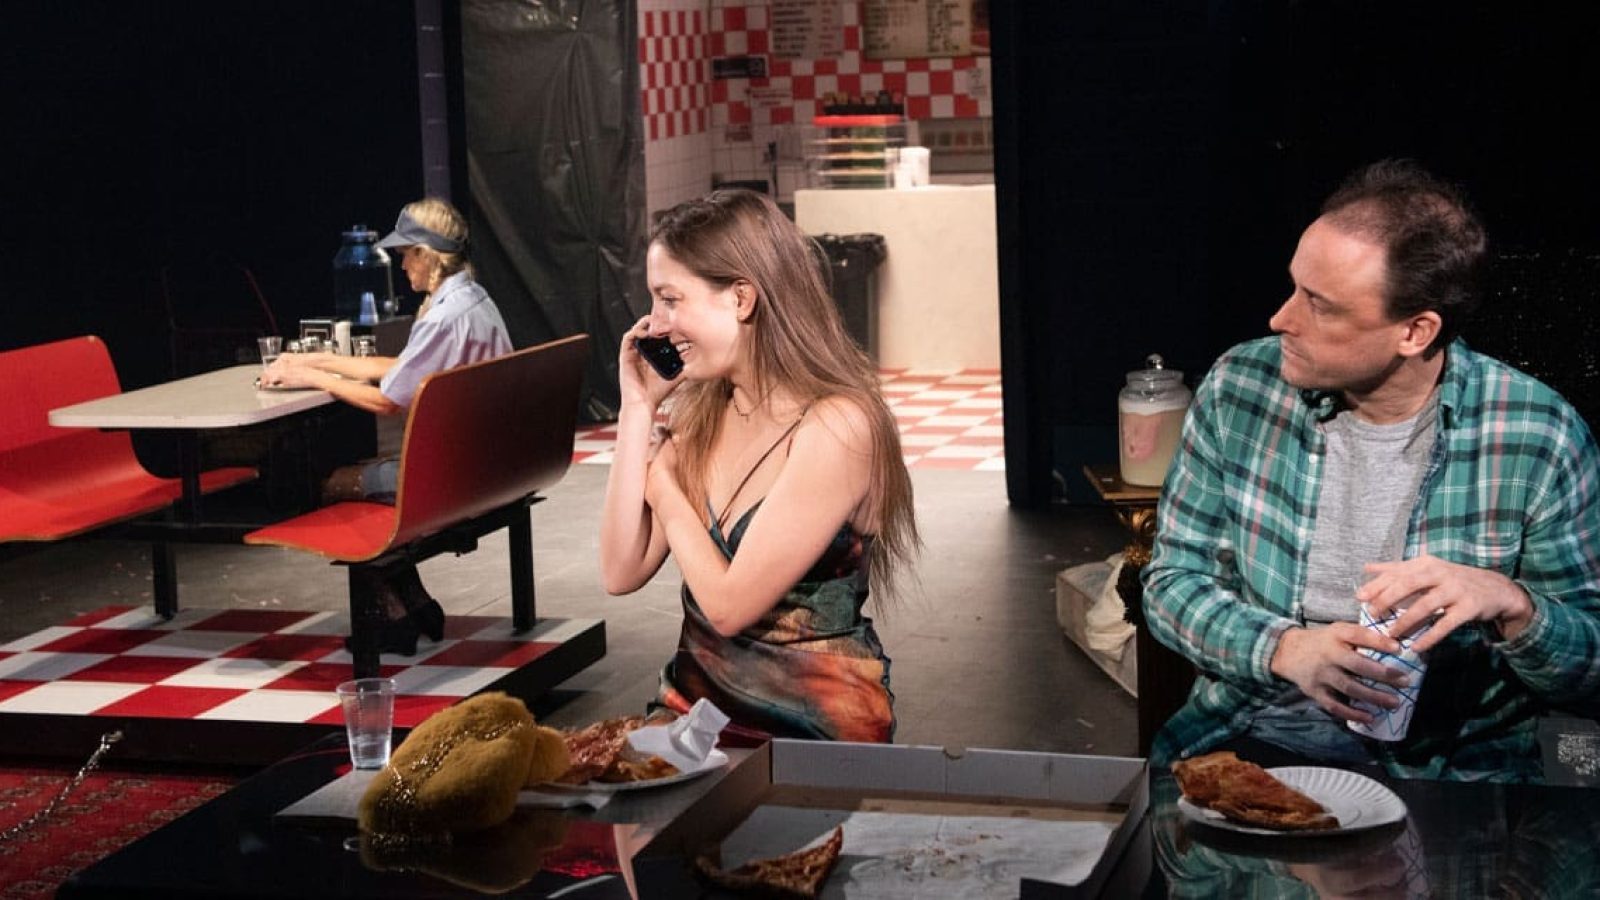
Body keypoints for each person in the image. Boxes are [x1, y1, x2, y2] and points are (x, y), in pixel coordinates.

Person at [1142, 160, 1600, 781]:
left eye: (1320, 306)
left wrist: (1513, 605)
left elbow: (1588, 668)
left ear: (1415, 331)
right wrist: (1285, 649)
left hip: (1454, 765)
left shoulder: (1537, 434)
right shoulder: (1240, 389)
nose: (1281, 319)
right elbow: (1172, 583)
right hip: (1254, 730)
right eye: (1294, 287)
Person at [598, 189, 918, 743]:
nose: (654, 324)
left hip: (811, 730)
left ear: (742, 299)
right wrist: (637, 408)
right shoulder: (702, 418)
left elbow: (728, 608)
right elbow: (620, 570)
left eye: (670, 299)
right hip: (694, 719)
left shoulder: (838, 426)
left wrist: (666, 492)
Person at [262, 197, 513, 653]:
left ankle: (394, 616)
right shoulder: (473, 300)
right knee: (367, 472)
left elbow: (387, 400)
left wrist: (312, 378)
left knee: (333, 484)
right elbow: (403, 370)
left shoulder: (441, 319)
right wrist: (321, 361)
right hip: (488, 467)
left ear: (427, 255)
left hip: (453, 479)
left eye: (405, 255)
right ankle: (416, 603)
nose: (401, 265)